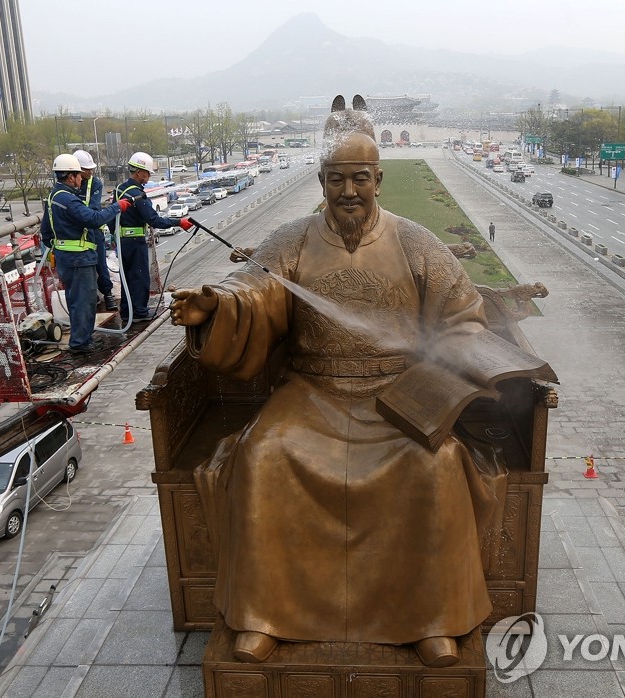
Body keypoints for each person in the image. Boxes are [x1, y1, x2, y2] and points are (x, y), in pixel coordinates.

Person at [170, 109, 500, 669]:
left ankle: (431, 617)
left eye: (360, 179)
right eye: (336, 179)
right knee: (263, 454)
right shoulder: (291, 240)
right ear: (321, 182)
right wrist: (216, 305)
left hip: (396, 396)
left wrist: (444, 374)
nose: (349, 192)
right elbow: (250, 291)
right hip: (312, 391)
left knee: (436, 465)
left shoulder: (418, 245)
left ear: (378, 181)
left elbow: (465, 316)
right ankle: (262, 615)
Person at [40, 154, 132, 353]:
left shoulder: (53, 197)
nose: (82, 179)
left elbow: (46, 232)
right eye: (79, 175)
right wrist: (118, 206)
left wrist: (58, 248)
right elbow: (93, 219)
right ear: (71, 176)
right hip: (79, 259)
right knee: (84, 301)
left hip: (67, 258)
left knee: (76, 300)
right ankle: (81, 343)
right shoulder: (68, 200)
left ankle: (81, 339)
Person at [113, 152, 185, 322]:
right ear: (139, 172)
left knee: (127, 278)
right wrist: (178, 222)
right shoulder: (137, 194)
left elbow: (111, 217)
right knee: (139, 277)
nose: (148, 177)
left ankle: (126, 311)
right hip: (135, 242)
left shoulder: (119, 189)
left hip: (122, 241)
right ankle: (139, 311)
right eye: (147, 173)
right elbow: (153, 219)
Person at [73, 149, 117, 311]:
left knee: (100, 264)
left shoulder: (95, 183)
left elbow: (93, 208)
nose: (90, 172)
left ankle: (107, 293)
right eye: (87, 169)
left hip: (93, 230)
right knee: (83, 266)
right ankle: (90, 297)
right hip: (76, 233)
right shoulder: (69, 185)